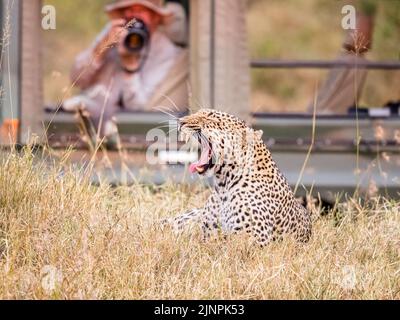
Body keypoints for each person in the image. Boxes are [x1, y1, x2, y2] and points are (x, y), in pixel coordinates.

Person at [64, 0, 188, 145]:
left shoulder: (166, 52)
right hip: (92, 123)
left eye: (142, 11)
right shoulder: (111, 32)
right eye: (129, 9)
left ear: (156, 18)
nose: (134, 16)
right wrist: (101, 48)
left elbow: (139, 111)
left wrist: (130, 67)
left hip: (132, 136)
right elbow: (76, 79)